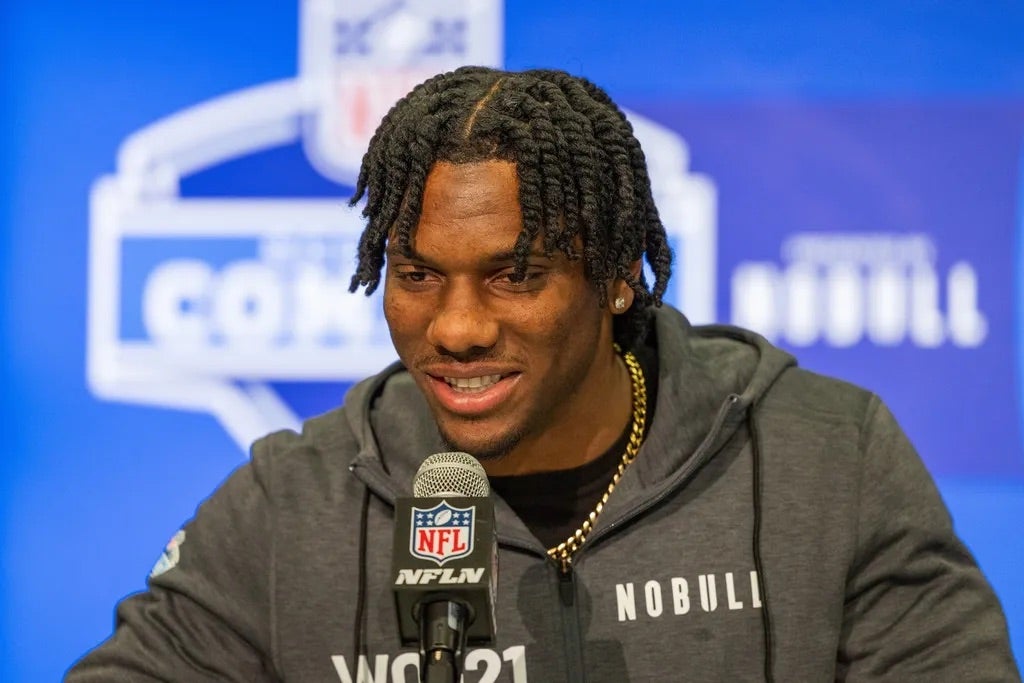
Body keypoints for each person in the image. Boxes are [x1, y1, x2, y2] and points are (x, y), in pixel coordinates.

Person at [67, 67, 1020, 682]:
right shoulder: (295, 504)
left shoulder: (825, 459)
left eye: (516, 275)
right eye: (418, 275)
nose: (458, 327)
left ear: (615, 277)